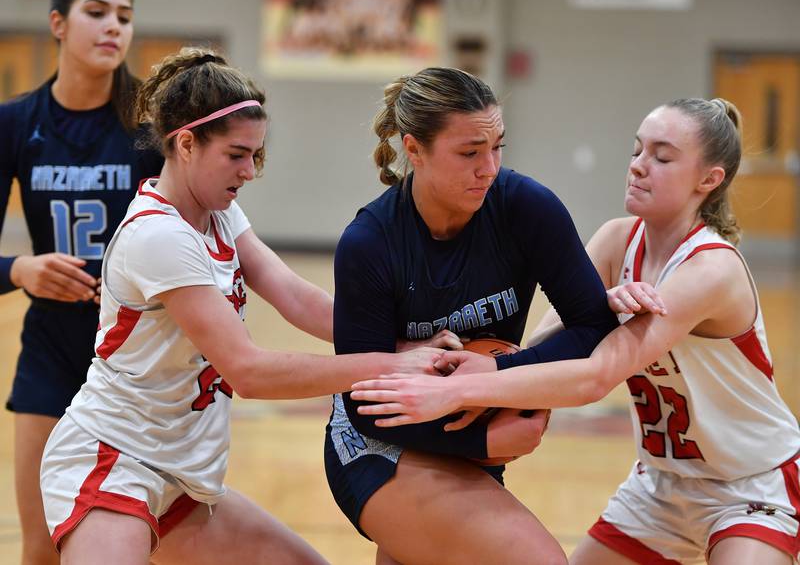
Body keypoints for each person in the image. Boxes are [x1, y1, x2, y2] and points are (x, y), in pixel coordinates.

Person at [38, 47, 443, 565]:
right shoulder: (158, 236)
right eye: (236, 154)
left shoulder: (219, 213)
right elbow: (249, 372)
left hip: (181, 477)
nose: (250, 171)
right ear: (186, 143)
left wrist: (404, 343)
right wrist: (391, 367)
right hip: (115, 460)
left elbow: (295, 295)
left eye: (256, 154)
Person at [351, 98, 800, 565]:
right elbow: (543, 353)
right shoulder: (616, 241)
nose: (638, 167)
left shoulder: (711, 268)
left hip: (748, 485)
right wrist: (592, 311)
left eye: (662, 158)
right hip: (659, 488)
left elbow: (594, 377)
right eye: (637, 151)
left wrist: (461, 389)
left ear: (709, 180)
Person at [326, 66, 619, 565]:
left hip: (468, 431)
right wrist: (485, 435)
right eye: (469, 153)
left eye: (497, 147)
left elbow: (593, 326)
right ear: (413, 149)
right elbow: (364, 402)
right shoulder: (370, 243)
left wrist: (498, 374)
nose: (489, 167)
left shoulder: (527, 208)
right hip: (379, 444)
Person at [0, 0, 163, 562]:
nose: (113, 25)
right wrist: (20, 268)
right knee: (42, 546)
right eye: (97, 11)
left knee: (142, 541)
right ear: (58, 24)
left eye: (124, 14)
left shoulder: (151, 125)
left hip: (136, 357)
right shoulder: (16, 122)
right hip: (49, 348)